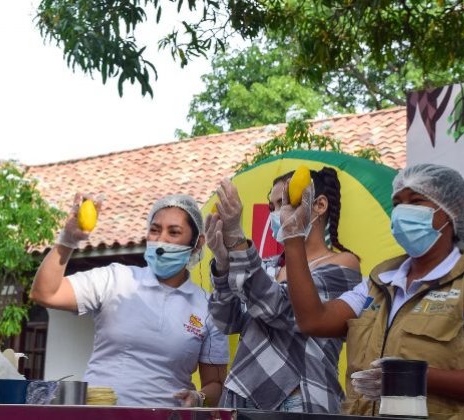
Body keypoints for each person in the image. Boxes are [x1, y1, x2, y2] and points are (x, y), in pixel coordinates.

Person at [281, 163, 464, 418]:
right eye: (397, 203)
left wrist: (413, 378)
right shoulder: (379, 281)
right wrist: (293, 237)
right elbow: (313, 321)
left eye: (416, 201)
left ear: (454, 209)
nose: (403, 211)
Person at [30, 193, 229, 407]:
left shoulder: (208, 308)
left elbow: (215, 384)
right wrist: (68, 240)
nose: (161, 240)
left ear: (197, 243)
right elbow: (45, 293)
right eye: (154, 230)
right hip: (99, 414)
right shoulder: (116, 279)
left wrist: (199, 398)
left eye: (174, 232)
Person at [206, 168, 362, 413]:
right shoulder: (268, 266)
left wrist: (237, 241)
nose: (279, 213)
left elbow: (281, 309)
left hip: (300, 398)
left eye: (285, 202)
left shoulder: (343, 264)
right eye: (273, 207)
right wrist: (223, 265)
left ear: (319, 205)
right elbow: (227, 321)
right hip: (243, 397)